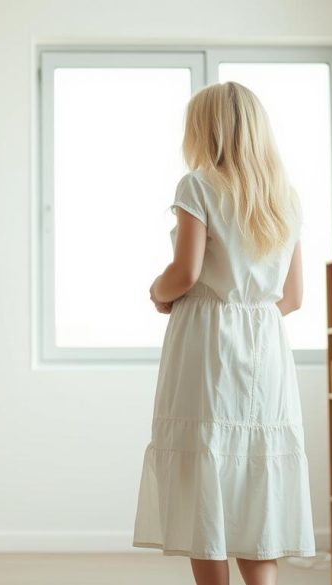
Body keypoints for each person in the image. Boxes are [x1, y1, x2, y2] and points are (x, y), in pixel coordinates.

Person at [132, 81, 316, 585]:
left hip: (208, 343)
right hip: (265, 344)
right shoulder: (286, 199)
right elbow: (294, 297)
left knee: (204, 475)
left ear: (204, 129)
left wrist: (158, 291)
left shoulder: (197, 186)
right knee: (258, 483)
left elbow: (185, 272)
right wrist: (249, 307)